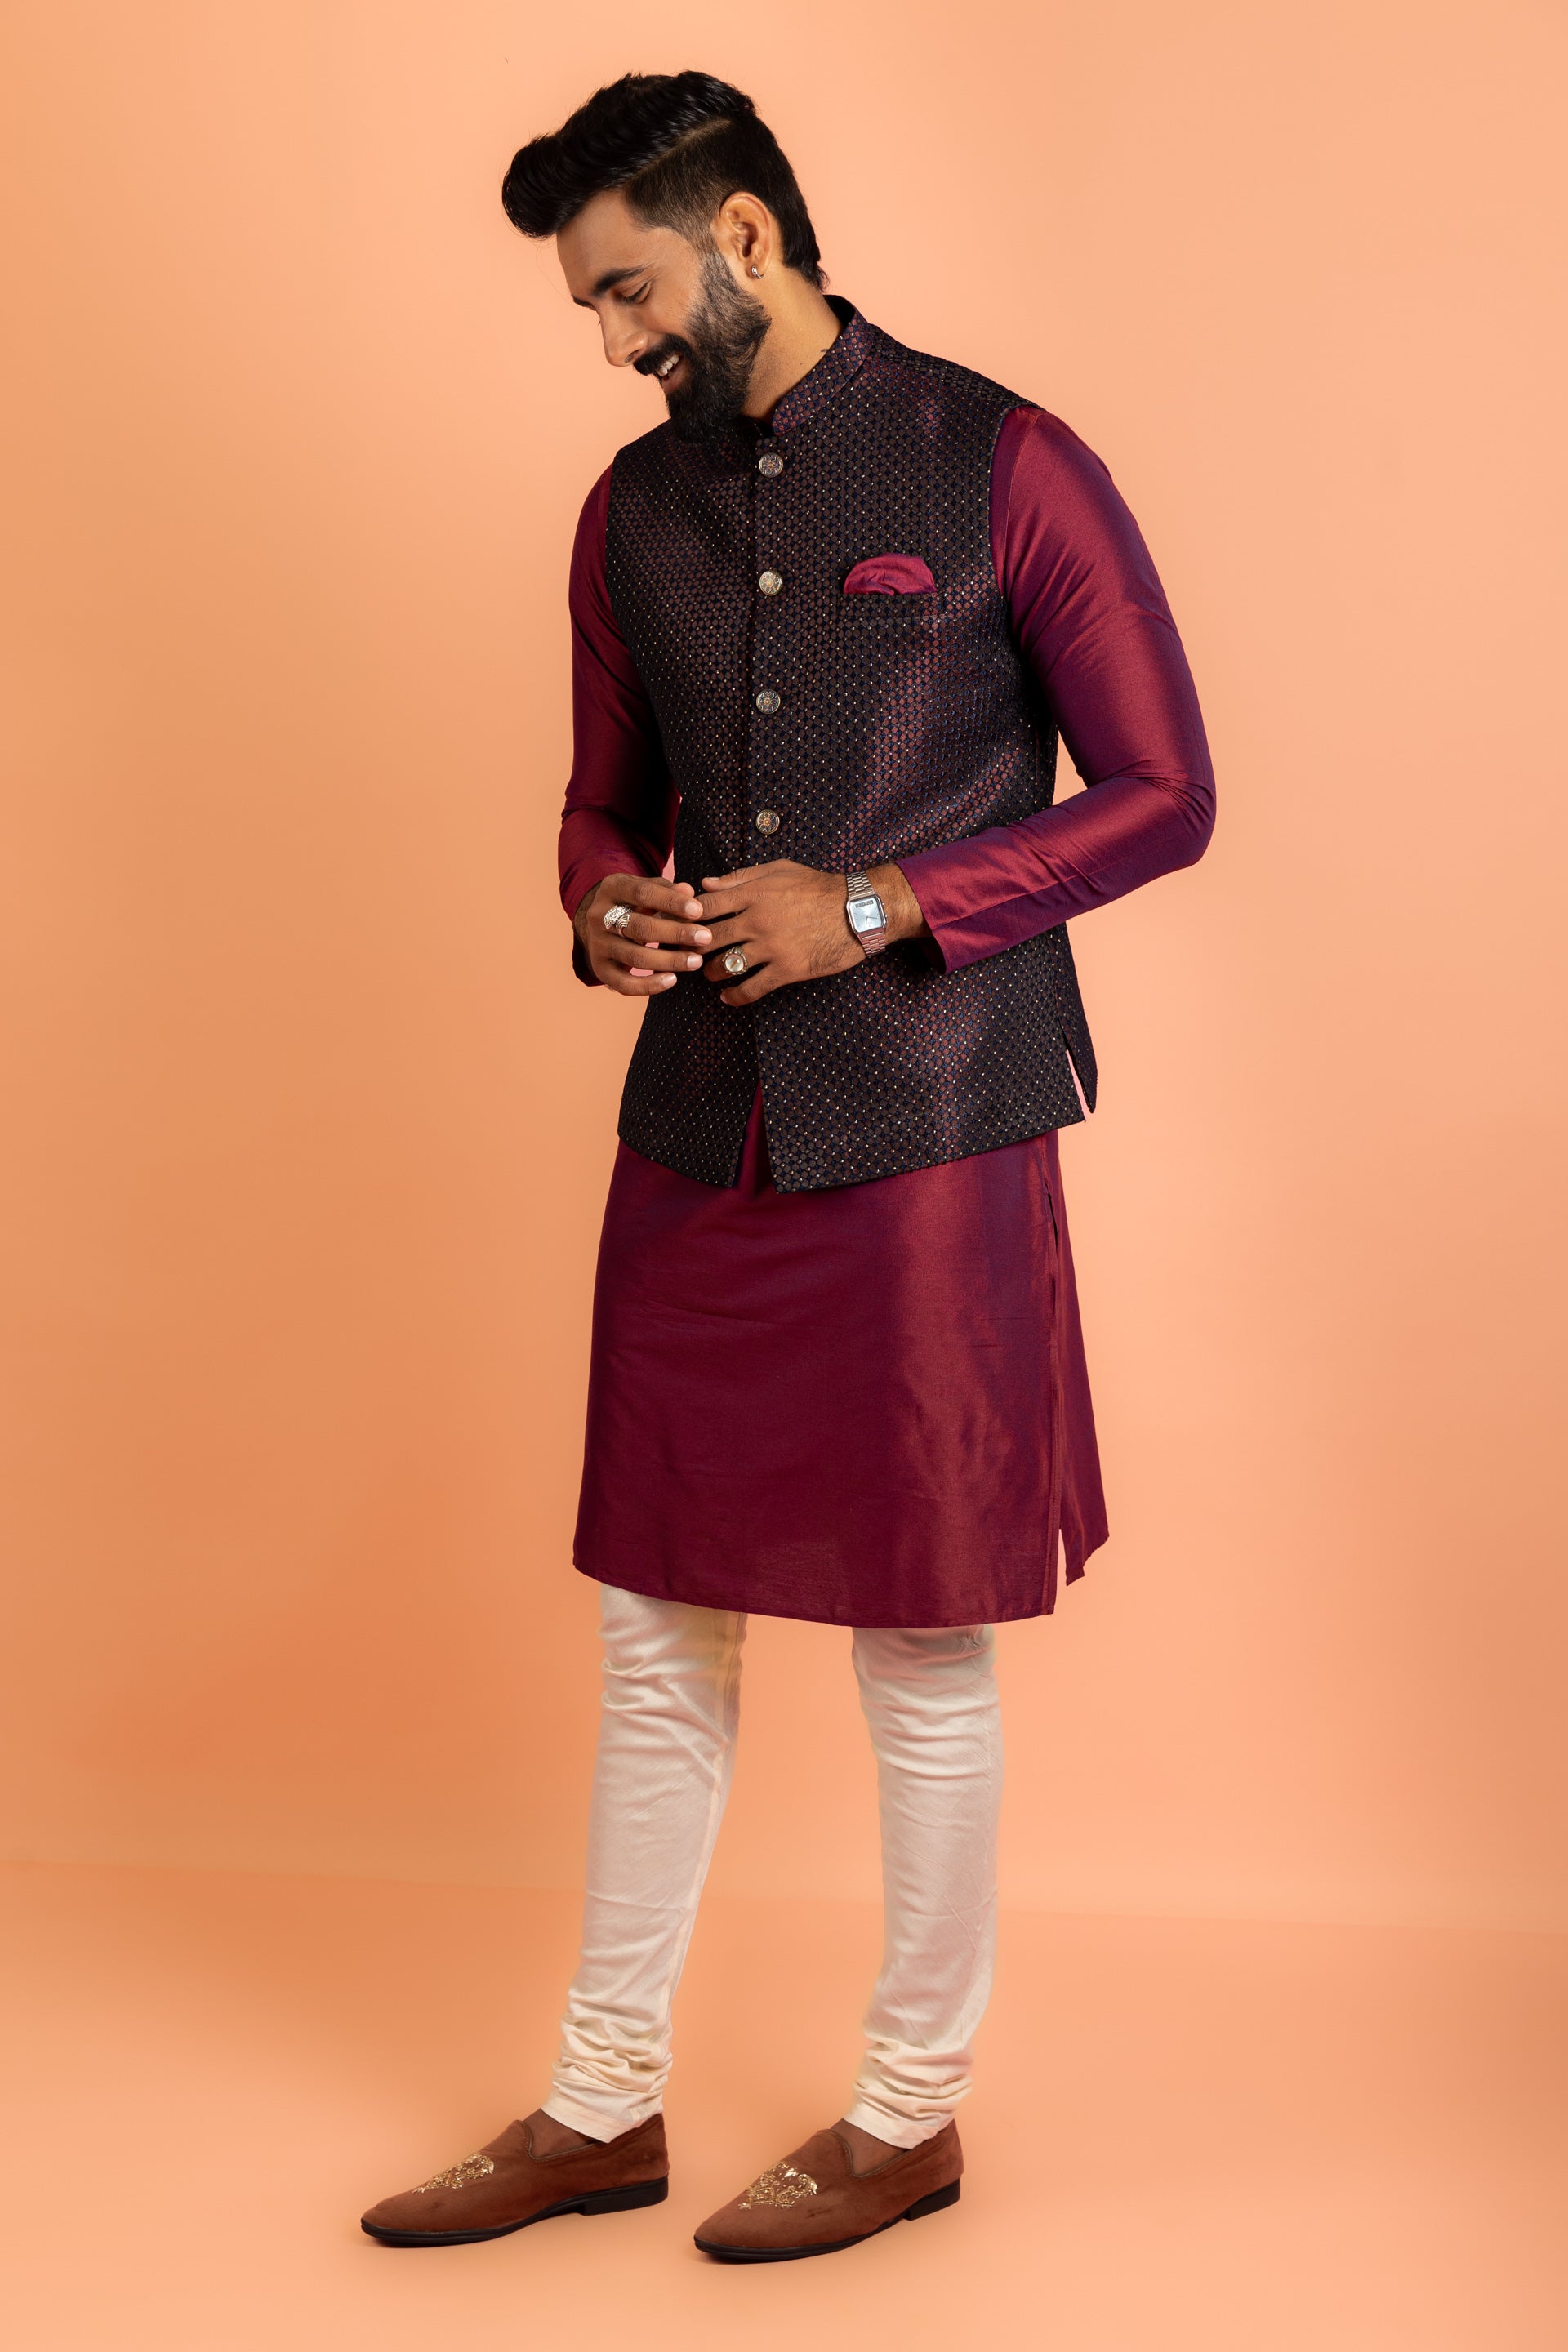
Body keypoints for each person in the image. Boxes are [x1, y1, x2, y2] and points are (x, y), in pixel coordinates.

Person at [361, 68, 1215, 2264]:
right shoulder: (626, 510)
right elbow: (598, 800)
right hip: (698, 1126)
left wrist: (879, 903)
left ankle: (909, 2115)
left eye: (629, 288)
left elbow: (1165, 793)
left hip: (932, 1126)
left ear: (743, 233)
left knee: (920, 1643)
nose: (615, 340)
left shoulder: (1002, 460)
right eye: (590, 307)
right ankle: (599, 2105)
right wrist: (598, 909)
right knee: (660, 1628)